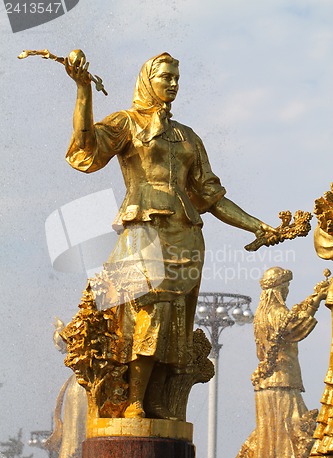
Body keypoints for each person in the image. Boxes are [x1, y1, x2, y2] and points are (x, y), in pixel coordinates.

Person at [64, 52, 275, 419]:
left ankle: (156, 397)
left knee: (177, 321)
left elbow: (211, 196)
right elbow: (87, 148)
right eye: (166, 77)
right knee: (150, 313)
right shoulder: (127, 123)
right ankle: (133, 399)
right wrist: (84, 89)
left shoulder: (187, 136)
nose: (174, 83)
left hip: (186, 235)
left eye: (177, 77)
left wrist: (256, 224)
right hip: (143, 230)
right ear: (148, 80)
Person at [234, 267, 328, 458]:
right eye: (285, 286)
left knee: (272, 437)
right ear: (277, 289)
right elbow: (294, 328)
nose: (287, 290)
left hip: (269, 384)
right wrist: (317, 299)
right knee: (293, 432)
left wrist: (313, 297)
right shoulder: (276, 313)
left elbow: (292, 319)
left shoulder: (263, 314)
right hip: (281, 384)